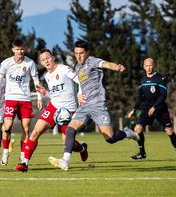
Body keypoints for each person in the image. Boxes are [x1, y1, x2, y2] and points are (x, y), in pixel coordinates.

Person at [48, 40, 139, 171]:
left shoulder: (92, 61)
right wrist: (79, 94)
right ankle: (65, 160)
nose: (78, 56)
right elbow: (80, 83)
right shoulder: (77, 67)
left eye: (81, 53)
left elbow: (105, 64)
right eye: (76, 53)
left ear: (87, 52)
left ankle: (127, 133)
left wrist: (116, 66)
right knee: (70, 129)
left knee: (110, 138)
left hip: (97, 105)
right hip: (84, 106)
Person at [15, 48, 88, 172]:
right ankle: (24, 163)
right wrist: (45, 93)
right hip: (53, 107)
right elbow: (55, 94)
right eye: (43, 60)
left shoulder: (64, 69)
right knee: (35, 132)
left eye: (48, 58)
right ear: (42, 63)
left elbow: (80, 80)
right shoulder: (47, 76)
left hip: (69, 110)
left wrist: (79, 94)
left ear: (53, 57)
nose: (46, 61)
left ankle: (82, 148)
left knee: (67, 143)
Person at [0, 38, 43, 166]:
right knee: (7, 126)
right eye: (17, 49)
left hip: (25, 99)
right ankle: (5, 152)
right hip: (10, 99)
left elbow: (36, 81)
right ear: (13, 49)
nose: (20, 51)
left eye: (22, 49)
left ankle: (22, 156)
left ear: (24, 49)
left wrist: (39, 98)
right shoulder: (6, 63)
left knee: (26, 129)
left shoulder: (30, 63)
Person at [127, 57, 176, 160]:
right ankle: (142, 154)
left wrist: (155, 107)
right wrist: (134, 109)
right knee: (137, 129)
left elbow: (163, 95)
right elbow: (141, 97)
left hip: (160, 108)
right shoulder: (143, 80)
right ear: (144, 67)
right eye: (147, 66)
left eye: (151, 65)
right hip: (147, 108)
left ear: (154, 65)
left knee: (169, 131)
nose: (149, 68)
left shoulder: (159, 78)